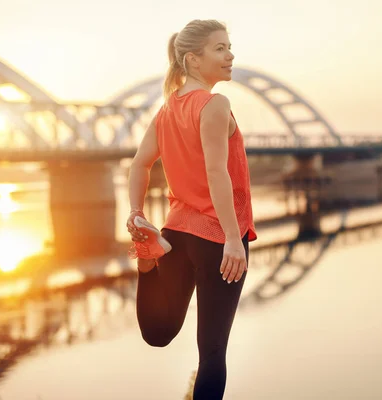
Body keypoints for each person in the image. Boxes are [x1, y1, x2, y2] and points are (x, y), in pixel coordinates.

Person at [126, 19, 257, 400]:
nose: (230, 55)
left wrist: (136, 211)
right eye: (220, 48)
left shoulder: (169, 108)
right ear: (193, 60)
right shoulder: (215, 104)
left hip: (175, 234)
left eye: (229, 47)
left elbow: (139, 164)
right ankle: (150, 259)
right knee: (213, 352)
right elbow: (217, 173)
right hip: (217, 238)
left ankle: (147, 263)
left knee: (160, 331)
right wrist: (233, 239)